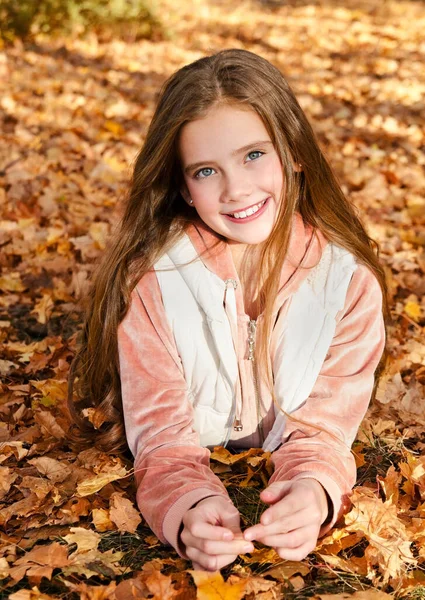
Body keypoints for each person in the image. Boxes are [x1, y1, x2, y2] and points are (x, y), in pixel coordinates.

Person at [68, 49, 386, 572]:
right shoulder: (155, 284)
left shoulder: (347, 285)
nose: (236, 189)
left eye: (254, 155)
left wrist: (311, 490)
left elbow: (325, 428)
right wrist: (192, 504)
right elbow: (162, 437)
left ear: (296, 153)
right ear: (184, 189)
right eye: (207, 170)